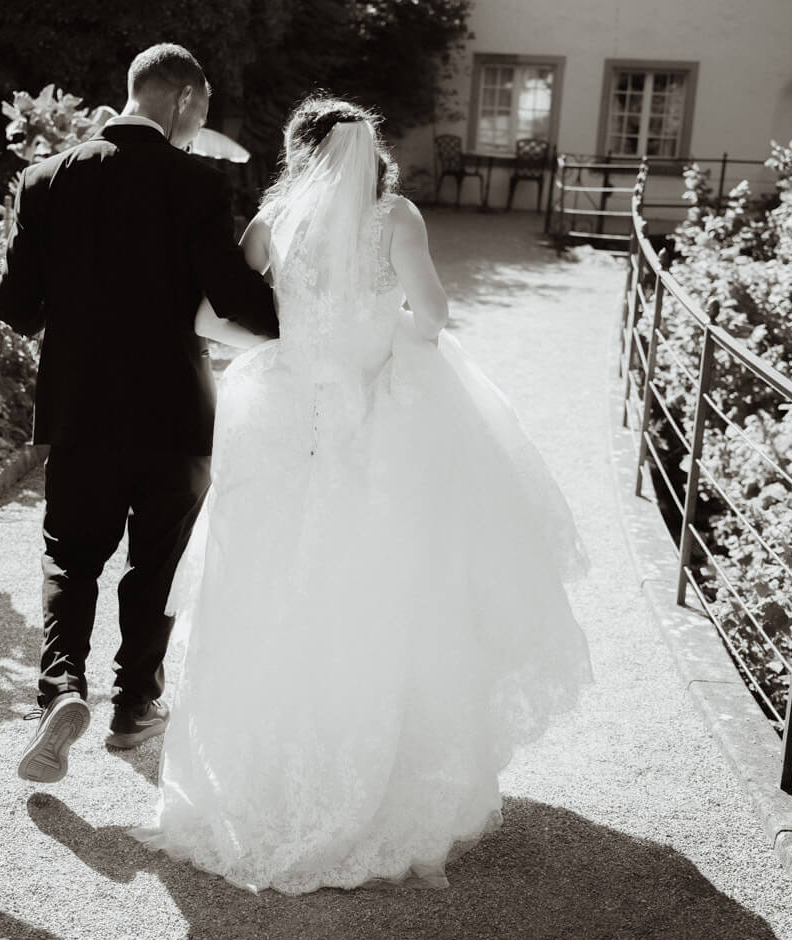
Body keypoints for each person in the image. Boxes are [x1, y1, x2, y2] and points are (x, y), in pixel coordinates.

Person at [131, 96, 593, 894]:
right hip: (376, 420)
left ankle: (258, 774)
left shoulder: (275, 219)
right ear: (367, 151)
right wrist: (385, 344)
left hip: (285, 414)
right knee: (382, 585)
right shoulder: (397, 219)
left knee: (270, 583)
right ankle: (382, 771)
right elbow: (436, 315)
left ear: (302, 152)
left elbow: (214, 318)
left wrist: (285, 349)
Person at [0, 44, 279, 783]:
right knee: (156, 564)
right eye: (200, 115)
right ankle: (133, 708)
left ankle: (60, 688)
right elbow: (234, 297)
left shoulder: (45, 180)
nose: (196, 130)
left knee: (71, 556)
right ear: (182, 100)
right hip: (173, 411)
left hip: (82, 407)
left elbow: (16, 308)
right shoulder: (196, 185)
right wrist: (306, 322)